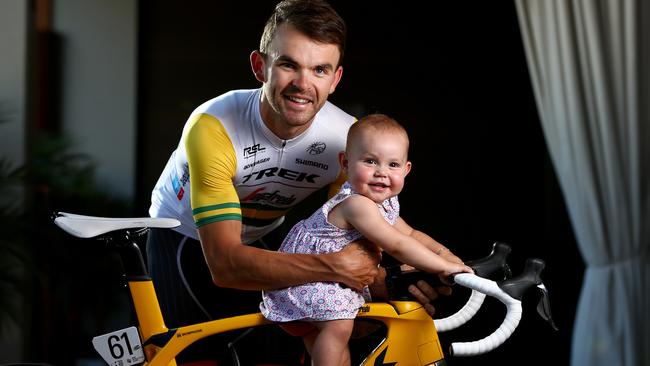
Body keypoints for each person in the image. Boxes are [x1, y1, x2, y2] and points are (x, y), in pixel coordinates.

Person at [147, 0, 460, 364]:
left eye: (319, 70)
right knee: (198, 356)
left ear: (335, 79)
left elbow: (380, 225)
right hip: (185, 238)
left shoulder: (346, 137)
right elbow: (226, 264)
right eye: (288, 64)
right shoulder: (214, 127)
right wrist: (340, 269)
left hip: (267, 234)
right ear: (259, 66)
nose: (302, 84)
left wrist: (442, 263)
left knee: (288, 349)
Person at [260, 114, 472, 366]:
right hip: (304, 280)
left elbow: (411, 235)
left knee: (338, 350)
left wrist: (445, 254)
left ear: (406, 170)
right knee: (339, 326)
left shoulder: (385, 203)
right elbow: (397, 244)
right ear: (346, 163)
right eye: (370, 161)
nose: (381, 173)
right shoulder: (356, 204)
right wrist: (443, 267)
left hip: (329, 282)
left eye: (393, 165)